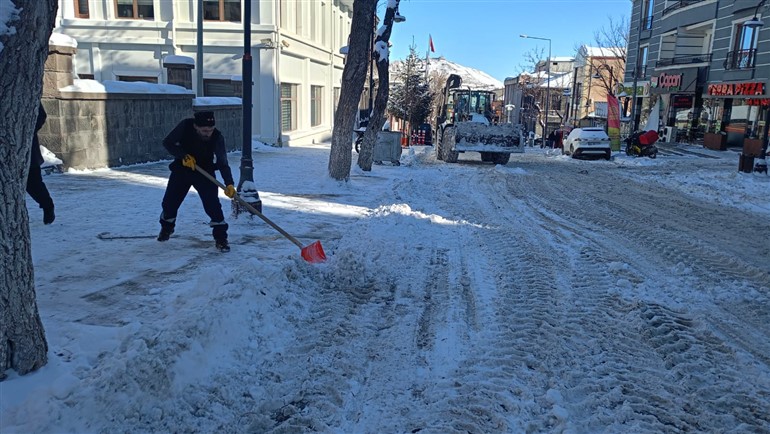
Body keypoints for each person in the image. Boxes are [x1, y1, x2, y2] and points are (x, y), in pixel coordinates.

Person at [159, 111, 236, 252]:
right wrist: (183, 156)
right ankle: (167, 227)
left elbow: (222, 162)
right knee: (170, 203)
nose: (208, 133)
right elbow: (168, 143)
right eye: (204, 130)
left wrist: (229, 183)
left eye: (211, 130)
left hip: (205, 172)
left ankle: (221, 238)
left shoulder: (217, 137)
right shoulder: (185, 126)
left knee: (213, 205)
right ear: (196, 127)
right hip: (182, 169)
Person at [26, 103, 55, 225]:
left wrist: (25, 132)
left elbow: (40, 115)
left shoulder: (24, 89)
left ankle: (47, 205)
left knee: (33, 183)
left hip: (26, 147)